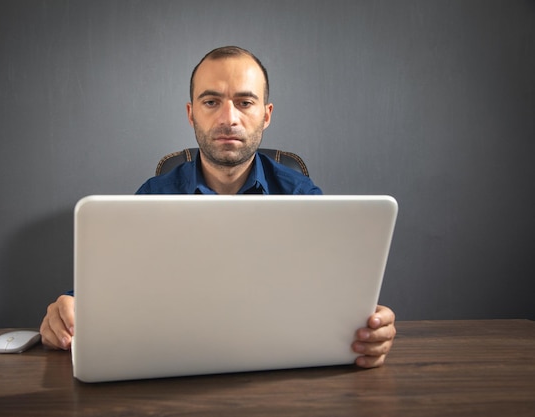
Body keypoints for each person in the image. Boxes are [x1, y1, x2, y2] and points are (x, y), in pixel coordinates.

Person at [40, 46, 397, 368]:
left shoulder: (302, 196)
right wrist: (68, 309)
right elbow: (106, 287)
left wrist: (371, 323)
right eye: (211, 102)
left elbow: (337, 295)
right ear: (191, 113)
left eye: (245, 102)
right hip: (172, 367)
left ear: (266, 114)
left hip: (276, 370)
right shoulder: (153, 195)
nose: (229, 118)